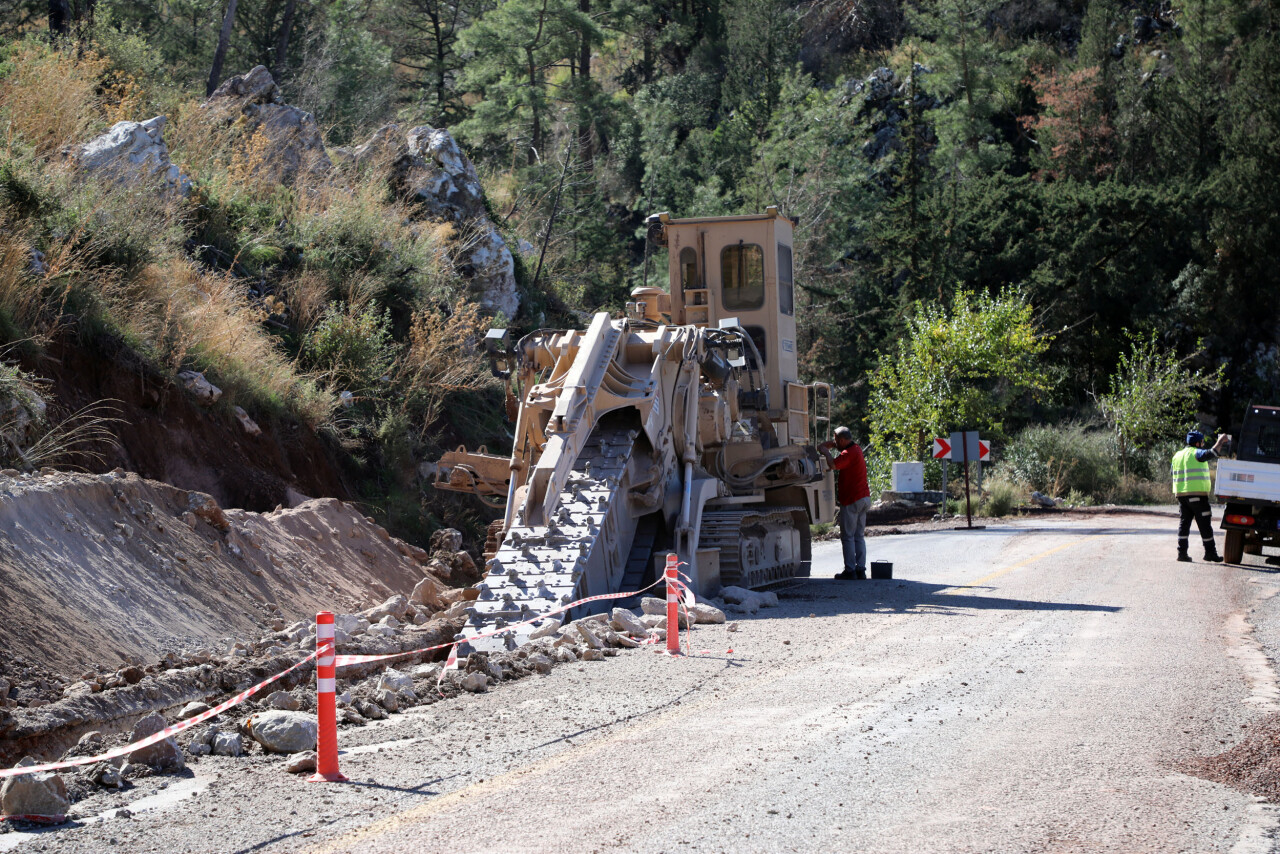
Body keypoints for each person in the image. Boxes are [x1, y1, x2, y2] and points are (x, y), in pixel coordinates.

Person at [819, 426, 871, 580]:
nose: (835, 443)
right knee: (859, 535)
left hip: (852, 499)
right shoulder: (857, 449)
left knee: (847, 536)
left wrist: (826, 451)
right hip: (864, 498)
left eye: (836, 440)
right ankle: (860, 569)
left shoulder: (849, 452)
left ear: (842, 440)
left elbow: (833, 465)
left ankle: (850, 570)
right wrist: (834, 446)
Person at [1172, 429, 1230, 562]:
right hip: (1197, 495)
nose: (1203, 445)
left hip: (1181, 495)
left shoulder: (1177, 455)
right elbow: (1212, 453)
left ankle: (1182, 553)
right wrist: (1221, 440)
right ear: (1197, 443)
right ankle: (1210, 553)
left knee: (1184, 524)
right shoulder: (1195, 453)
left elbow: (1172, 472)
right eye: (1202, 442)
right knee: (1204, 524)